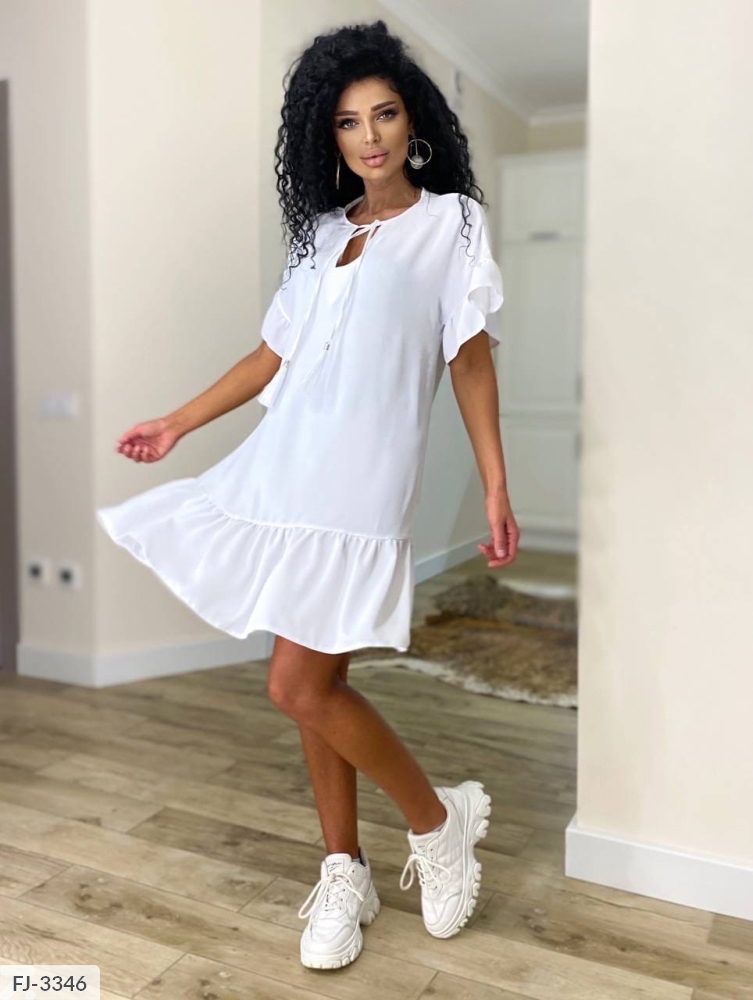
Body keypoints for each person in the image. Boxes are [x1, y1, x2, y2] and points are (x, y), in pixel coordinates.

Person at [96, 19, 520, 971]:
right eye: (347, 122)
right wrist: (176, 422)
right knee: (313, 689)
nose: (369, 137)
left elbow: (469, 360)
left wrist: (496, 483)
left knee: (296, 683)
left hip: (362, 482)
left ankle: (437, 822)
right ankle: (343, 870)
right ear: (326, 136)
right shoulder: (322, 234)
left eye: (385, 115)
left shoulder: (450, 224)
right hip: (286, 466)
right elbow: (269, 357)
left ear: (413, 122)